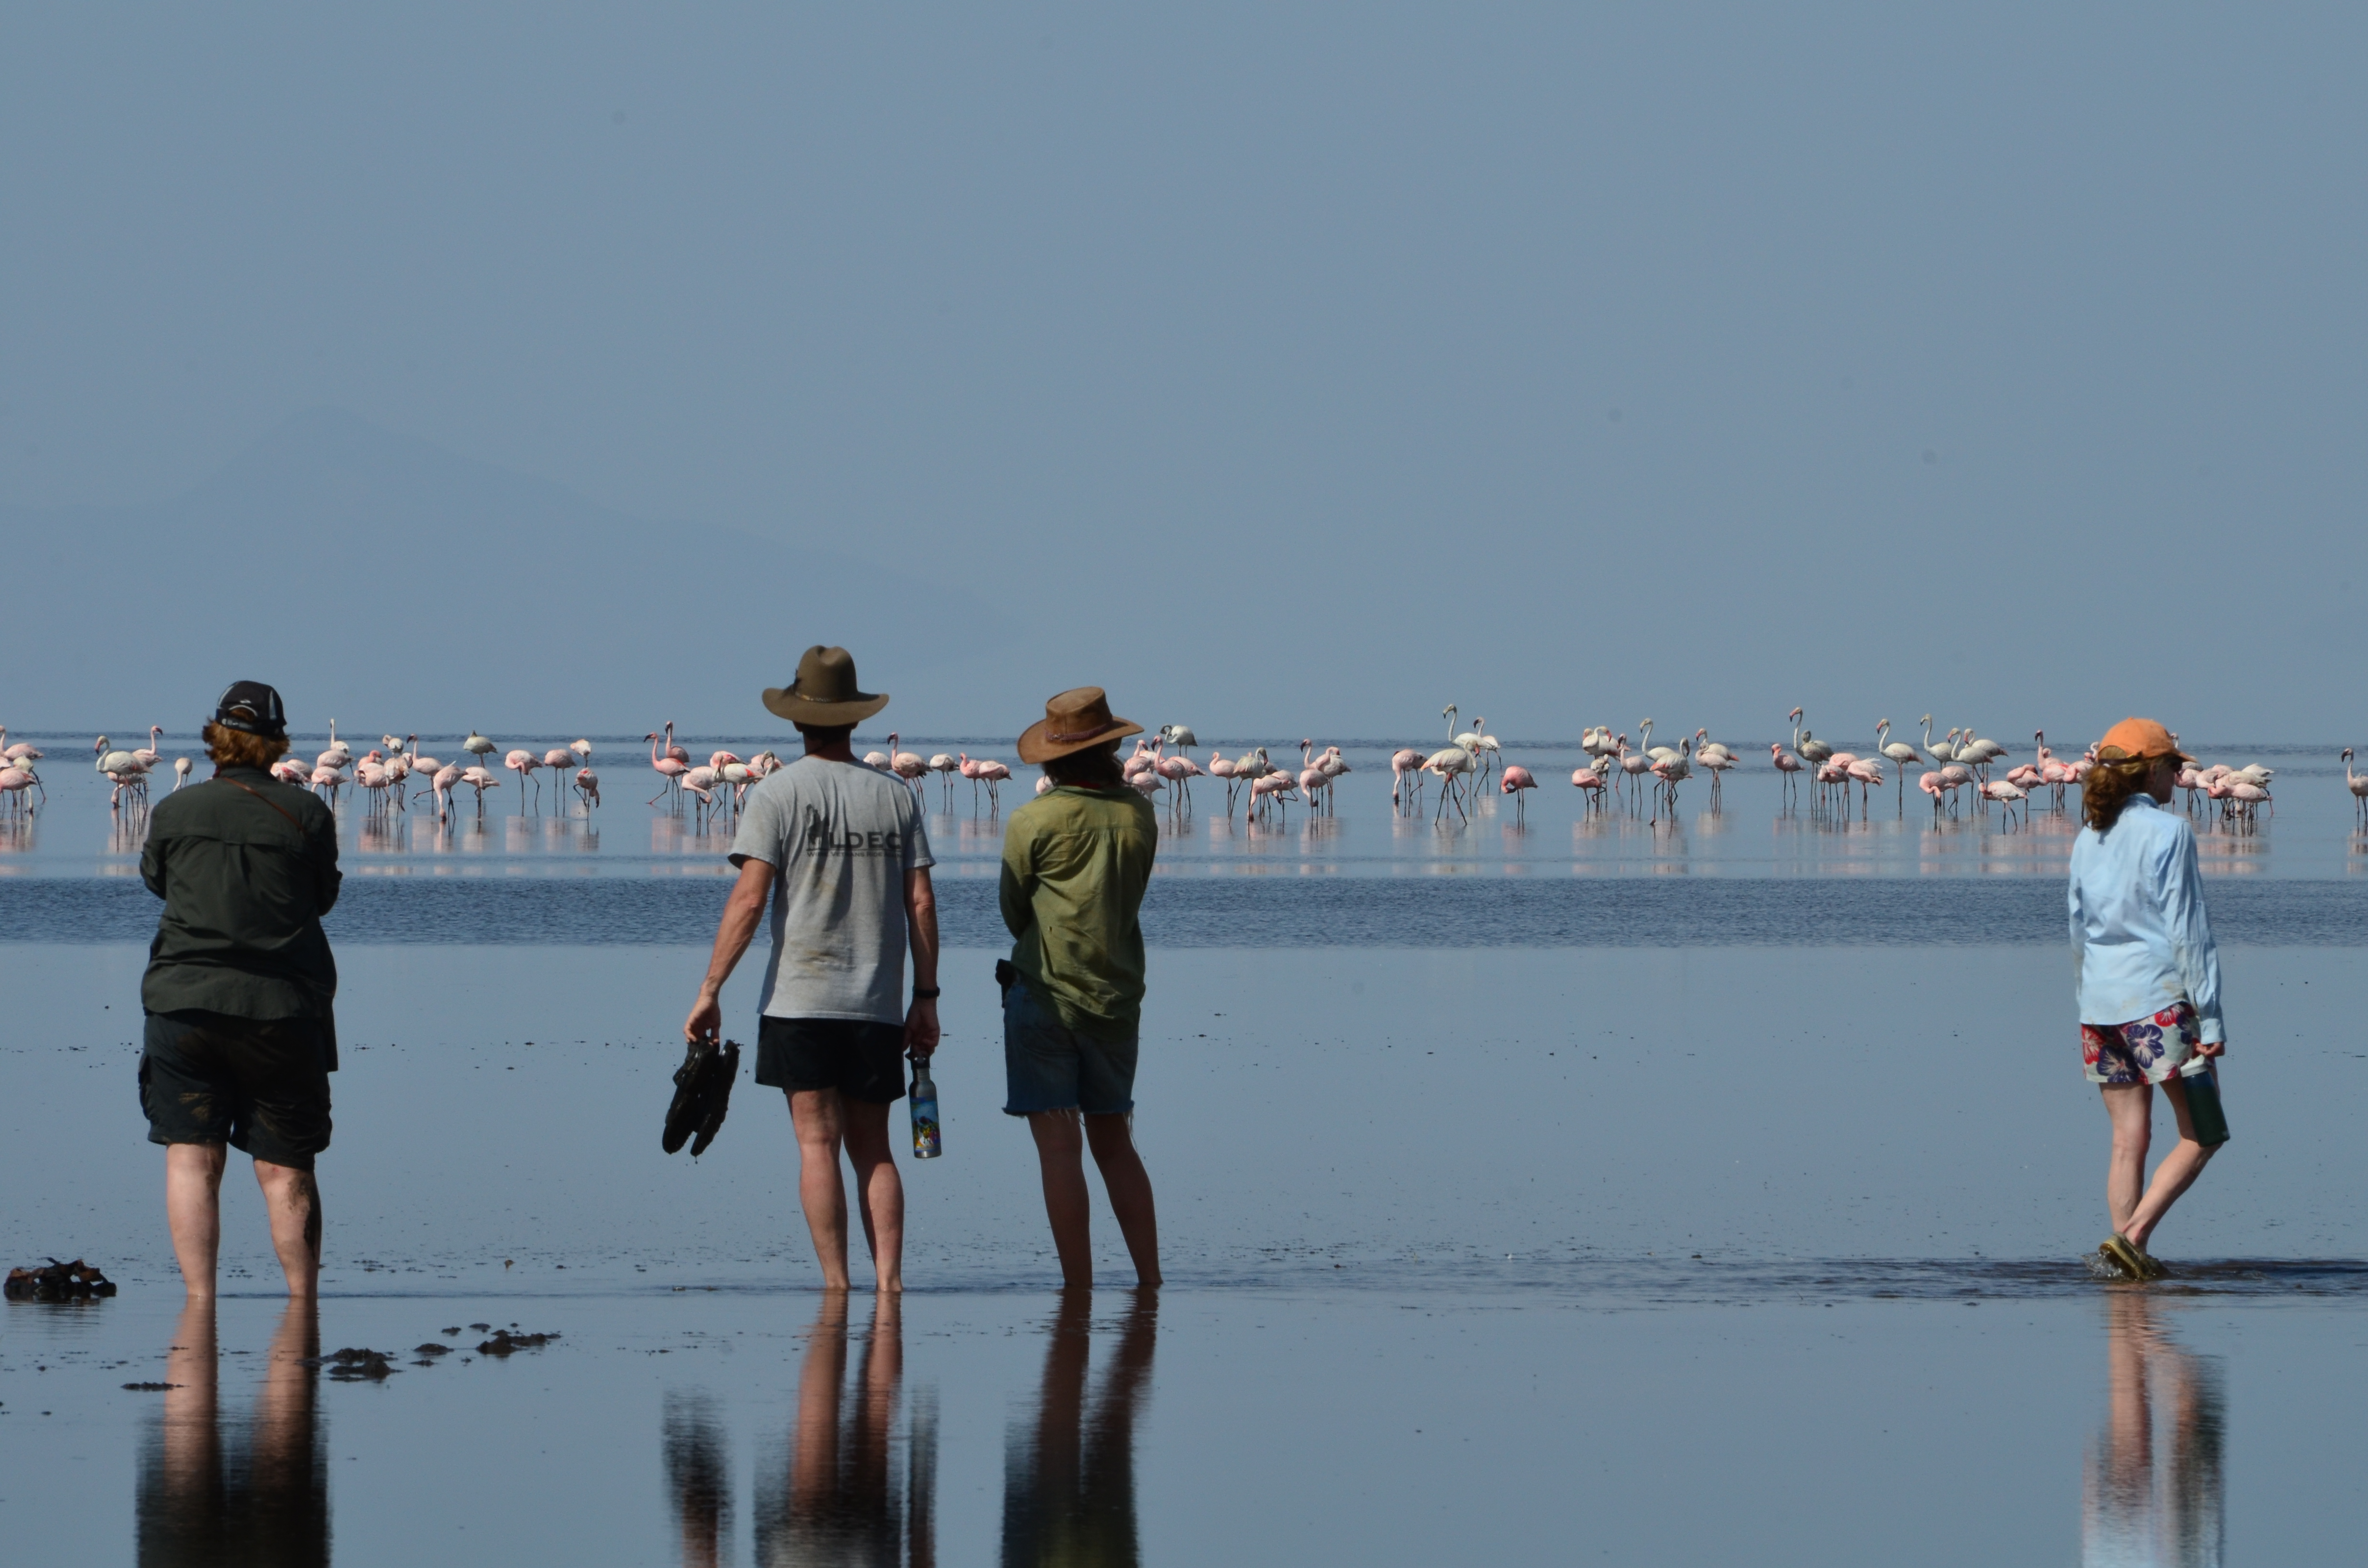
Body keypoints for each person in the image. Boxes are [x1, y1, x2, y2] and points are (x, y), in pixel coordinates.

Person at [686, 645, 939, 1293]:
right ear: (854, 720)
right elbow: (920, 901)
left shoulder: (776, 794)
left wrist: (711, 990)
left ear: (798, 721)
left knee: (817, 1147)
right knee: (874, 1149)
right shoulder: (896, 797)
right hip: (875, 1004)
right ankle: (891, 1286)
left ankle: (837, 1288)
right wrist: (927, 997)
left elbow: (749, 900)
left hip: (798, 1001)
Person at [139, 682, 340, 1301]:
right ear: (278, 741)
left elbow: (158, 882)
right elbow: (323, 899)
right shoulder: (308, 813)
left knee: (190, 1158)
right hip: (281, 1013)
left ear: (214, 739)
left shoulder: (175, 812)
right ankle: (303, 1306)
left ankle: (200, 1306)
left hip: (184, 1006)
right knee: (286, 1170)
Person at [1001, 687, 1162, 1289]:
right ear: (1111, 747)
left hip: (1043, 995)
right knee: (1114, 1141)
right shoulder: (1139, 814)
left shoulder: (1032, 820)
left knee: (1058, 1150)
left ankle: (1078, 1288)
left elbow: (1013, 908)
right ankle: (1150, 1280)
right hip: (1117, 995)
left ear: (1052, 756)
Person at [2069, 717, 2228, 1280]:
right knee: (2205, 1133)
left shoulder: (2088, 835)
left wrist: (2088, 1000)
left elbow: (2076, 925)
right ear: (2153, 770)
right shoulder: (2169, 831)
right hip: (2158, 1004)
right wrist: (2209, 1020)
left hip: (2098, 1007)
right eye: (2174, 768)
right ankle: (2132, 1239)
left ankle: (2121, 1267)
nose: (2178, 777)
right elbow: (2188, 931)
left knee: (2125, 1141)